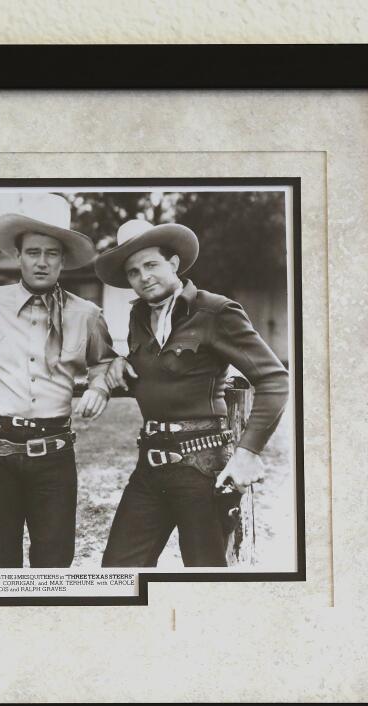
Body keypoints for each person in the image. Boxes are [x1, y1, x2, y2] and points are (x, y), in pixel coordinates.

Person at [95, 219, 290, 567]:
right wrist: (117, 367)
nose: (144, 277)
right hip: (150, 466)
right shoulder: (138, 315)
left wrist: (248, 452)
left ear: (173, 264)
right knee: (117, 572)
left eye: (151, 264)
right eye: (134, 272)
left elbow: (275, 380)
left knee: (206, 578)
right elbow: (156, 373)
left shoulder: (215, 311)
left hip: (202, 467)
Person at [0, 195, 117, 568]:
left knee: (55, 560)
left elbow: (105, 361)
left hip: (54, 450)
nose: (42, 262)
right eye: (34, 252)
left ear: (63, 259)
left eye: (52, 254)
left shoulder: (86, 314)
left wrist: (98, 387)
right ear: (18, 256)